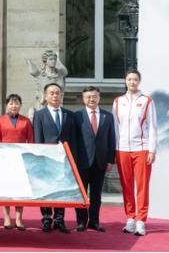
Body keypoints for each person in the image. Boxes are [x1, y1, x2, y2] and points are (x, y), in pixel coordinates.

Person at [113, 70, 157, 236]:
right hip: (122, 149)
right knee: (126, 185)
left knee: (142, 186)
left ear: (139, 81)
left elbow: (152, 127)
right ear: (125, 81)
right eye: (129, 79)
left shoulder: (147, 101)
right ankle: (130, 218)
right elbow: (115, 127)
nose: (132, 82)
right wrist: (114, 150)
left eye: (135, 79)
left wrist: (152, 149)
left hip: (142, 149)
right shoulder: (118, 101)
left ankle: (141, 221)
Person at [32, 83, 78, 234]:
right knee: (46, 189)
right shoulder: (40, 115)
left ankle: (59, 220)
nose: (54, 95)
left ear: (61, 95)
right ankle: (46, 219)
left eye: (57, 93)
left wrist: (72, 159)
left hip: (64, 159)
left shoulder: (69, 115)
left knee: (61, 189)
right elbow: (38, 138)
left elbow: (73, 139)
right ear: (45, 96)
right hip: (46, 158)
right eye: (51, 93)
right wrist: (39, 157)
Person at [74, 86, 116, 233]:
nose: (92, 99)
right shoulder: (77, 116)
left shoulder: (107, 116)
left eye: (94, 96)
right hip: (81, 161)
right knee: (81, 193)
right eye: (88, 97)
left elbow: (111, 139)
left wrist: (111, 160)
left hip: (100, 161)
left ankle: (94, 222)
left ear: (99, 98)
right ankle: (81, 222)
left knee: (96, 194)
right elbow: (74, 140)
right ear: (83, 98)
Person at [0, 93, 33, 230]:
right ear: (6, 105)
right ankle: (7, 217)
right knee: (6, 188)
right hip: (5, 159)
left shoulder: (26, 121)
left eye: (16, 103)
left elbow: (31, 141)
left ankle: (19, 218)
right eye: (11, 103)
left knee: (20, 188)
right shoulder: (0, 121)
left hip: (21, 158)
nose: (14, 106)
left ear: (20, 105)